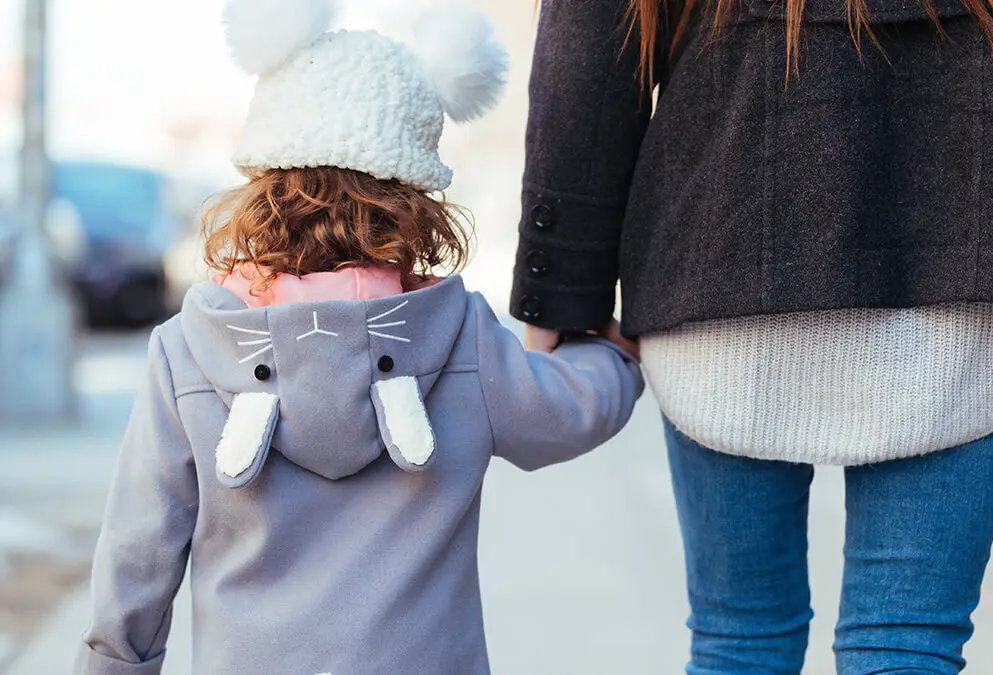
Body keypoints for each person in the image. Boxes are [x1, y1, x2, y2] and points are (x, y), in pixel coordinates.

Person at [513, 0, 993, 672]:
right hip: (985, 210)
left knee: (739, 641)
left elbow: (592, 40)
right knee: (906, 641)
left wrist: (563, 282)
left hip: (728, 211)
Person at [74, 2, 643, 673]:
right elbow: (569, 410)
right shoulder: (459, 338)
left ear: (265, 183)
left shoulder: (189, 351)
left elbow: (138, 554)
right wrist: (616, 356)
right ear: (415, 201)